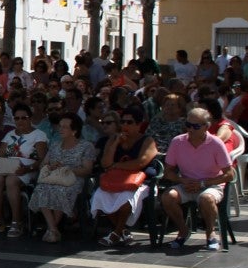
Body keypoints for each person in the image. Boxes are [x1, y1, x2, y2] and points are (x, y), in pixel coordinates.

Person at [160, 107, 233, 251]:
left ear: (206, 126)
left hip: (210, 184)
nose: (191, 129)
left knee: (206, 198)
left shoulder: (216, 143)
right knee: (167, 197)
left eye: (196, 126)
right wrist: (182, 181)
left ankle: (210, 233)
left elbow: (229, 174)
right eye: (188, 125)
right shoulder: (177, 142)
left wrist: (204, 183)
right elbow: (168, 172)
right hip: (187, 184)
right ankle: (183, 230)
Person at [91, 105, 159, 246]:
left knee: (126, 199)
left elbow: (140, 163)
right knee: (100, 196)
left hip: (140, 182)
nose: (125, 125)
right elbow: (105, 163)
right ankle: (122, 231)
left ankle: (116, 234)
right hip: (116, 180)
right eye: (123, 122)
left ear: (139, 124)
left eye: (129, 122)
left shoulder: (148, 141)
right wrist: (115, 144)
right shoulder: (113, 139)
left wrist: (115, 165)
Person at [29, 113, 96, 242]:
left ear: (74, 130)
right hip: (54, 177)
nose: (60, 129)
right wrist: (51, 166)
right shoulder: (55, 145)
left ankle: (51, 230)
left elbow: (87, 170)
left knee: (61, 191)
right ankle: (53, 229)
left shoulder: (86, 146)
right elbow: (44, 163)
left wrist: (67, 169)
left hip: (73, 179)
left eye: (65, 127)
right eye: (60, 126)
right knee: (41, 189)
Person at [0, 103, 48, 237]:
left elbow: (42, 159)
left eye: (23, 118)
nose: (20, 121)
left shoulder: (39, 135)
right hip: (8, 167)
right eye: (17, 118)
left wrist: (28, 168)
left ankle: (17, 221)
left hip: (27, 170)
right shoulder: (9, 135)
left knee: (11, 181)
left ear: (29, 118)